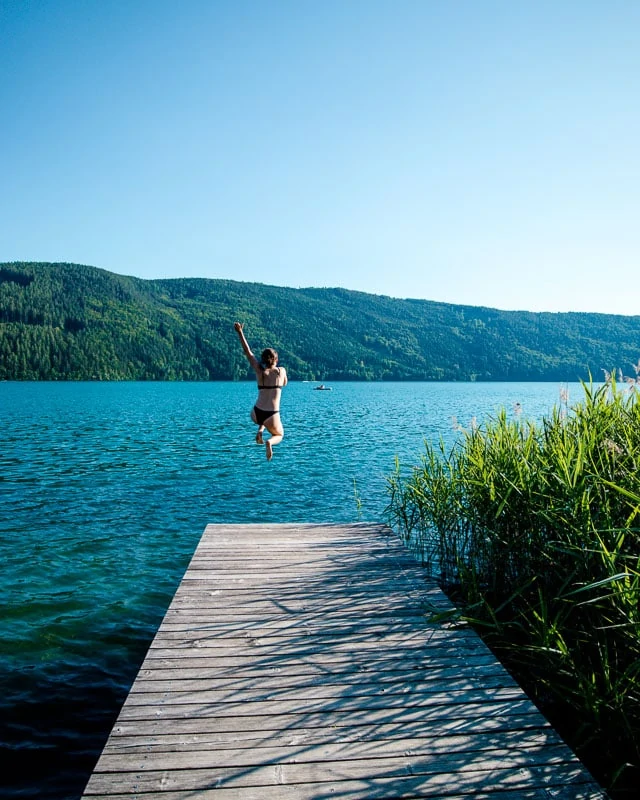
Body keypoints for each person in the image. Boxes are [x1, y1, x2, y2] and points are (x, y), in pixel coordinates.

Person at [234, 322, 288, 461]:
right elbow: (285, 383)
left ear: (263, 360)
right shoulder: (281, 371)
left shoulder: (260, 370)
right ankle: (269, 442)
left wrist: (240, 332)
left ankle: (259, 431)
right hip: (272, 415)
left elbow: (248, 352)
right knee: (279, 435)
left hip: (256, 413)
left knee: (263, 417)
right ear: (276, 359)